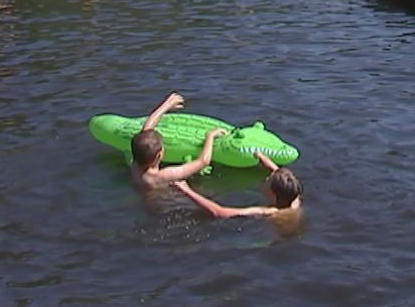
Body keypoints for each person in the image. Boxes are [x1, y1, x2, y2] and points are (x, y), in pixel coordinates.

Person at [127, 93, 226, 191]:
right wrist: (210, 136)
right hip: (163, 201)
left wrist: (167, 105)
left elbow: (146, 130)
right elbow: (203, 161)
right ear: (159, 155)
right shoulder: (166, 175)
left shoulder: (135, 165)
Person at [171, 151, 302, 224]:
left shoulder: (268, 212)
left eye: (267, 181)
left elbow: (219, 212)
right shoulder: (294, 200)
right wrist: (264, 160)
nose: (265, 179)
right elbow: (282, 176)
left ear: (272, 195)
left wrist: (187, 190)